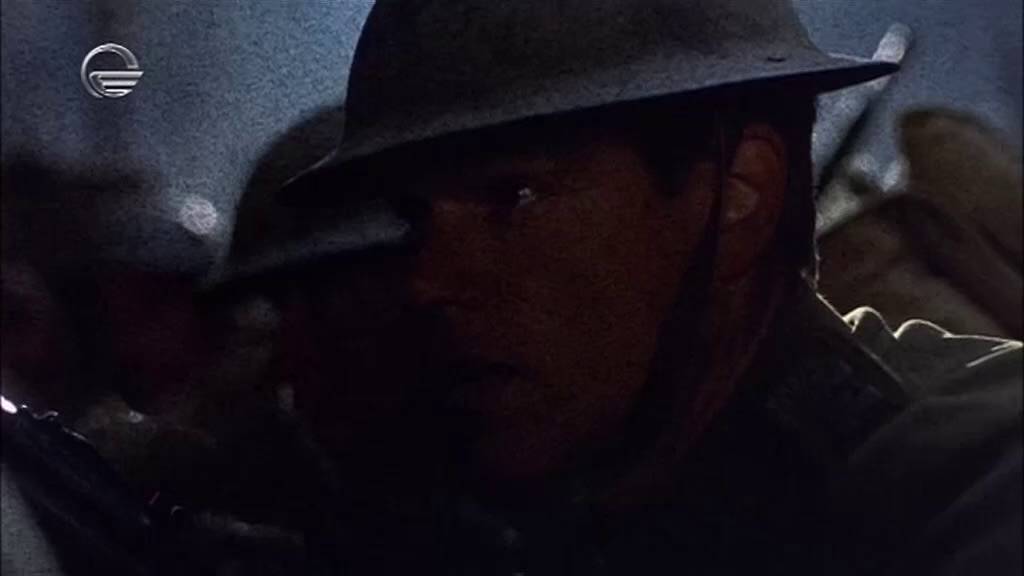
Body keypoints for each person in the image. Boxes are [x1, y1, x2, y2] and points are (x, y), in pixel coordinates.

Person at [213, 1, 1023, 574]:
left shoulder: (975, 481)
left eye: (512, 197)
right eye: (417, 219)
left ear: (740, 192)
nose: (426, 283)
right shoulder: (581, 499)